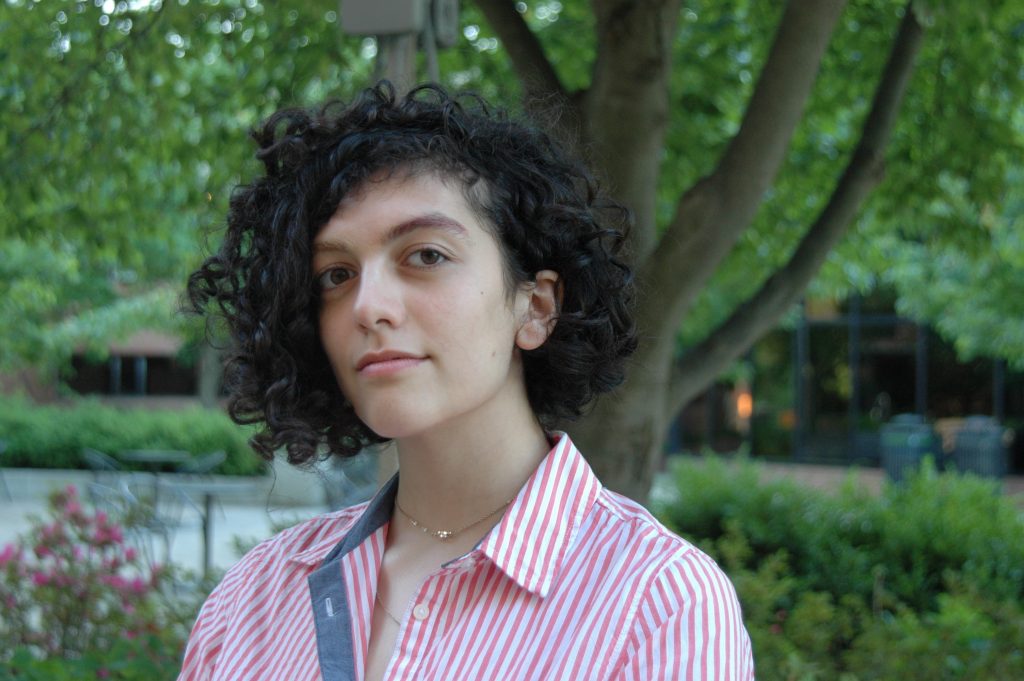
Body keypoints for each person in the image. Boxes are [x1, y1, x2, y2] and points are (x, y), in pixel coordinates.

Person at [179, 81, 754, 680]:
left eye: (425, 255)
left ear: (535, 307)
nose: (367, 306)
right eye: (336, 274)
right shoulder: (255, 597)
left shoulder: (658, 606)